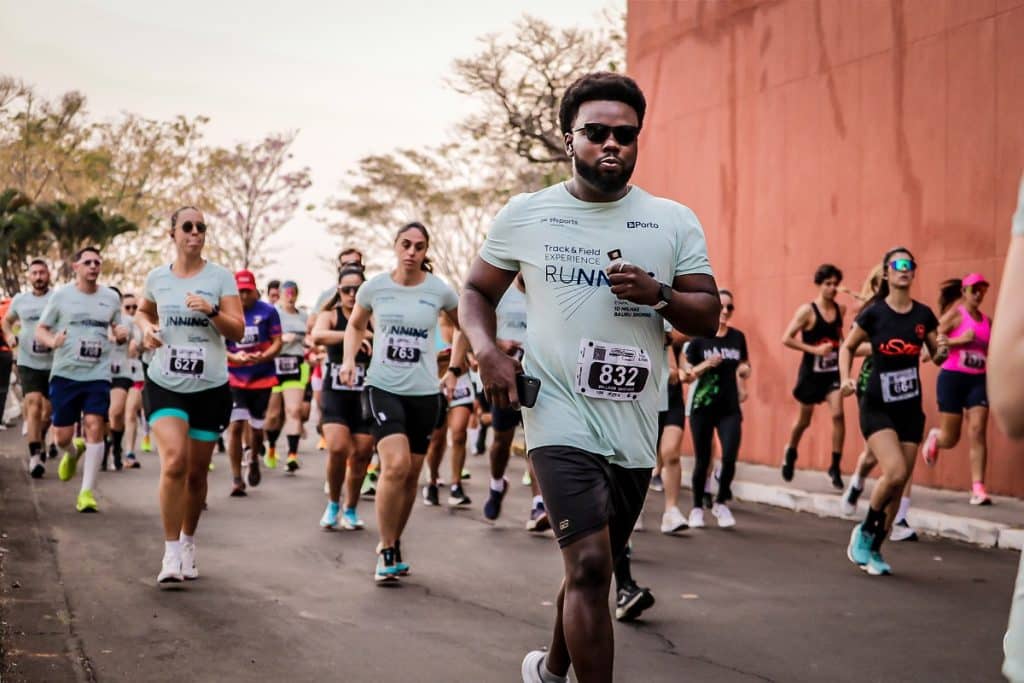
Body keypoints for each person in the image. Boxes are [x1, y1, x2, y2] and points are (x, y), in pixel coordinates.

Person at [459, 72, 718, 683]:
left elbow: (708, 312)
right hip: (556, 410)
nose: (611, 145)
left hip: (633, 418)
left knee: (592, 566)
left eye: (624, 135)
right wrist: (485, 350)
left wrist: (658, 295)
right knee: (593, 564)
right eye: (596, 132)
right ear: (568, 136)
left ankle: (549, 670)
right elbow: (475, 290)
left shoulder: (672, 220)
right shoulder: (528, 214)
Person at [338, 222, 460, 583]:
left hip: (424, 393)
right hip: (383, 387)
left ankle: (393, 542)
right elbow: (355, 325)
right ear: (395, 246)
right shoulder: (375, 287)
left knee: (411, 476)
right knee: (395, 466)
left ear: (425, 252)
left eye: (419, 247)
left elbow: (465, 325)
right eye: (406, 244)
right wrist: (348, 359)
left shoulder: (439, 290)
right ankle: (387, 547)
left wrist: (453, 369)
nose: (411, 252)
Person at [135, 206, 243, 585]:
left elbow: (238, 331)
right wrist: (147, 328)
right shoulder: (157, 278)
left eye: (201, 227)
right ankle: (169, 553)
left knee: (197, 475)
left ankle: (188, 541)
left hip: (210, 388)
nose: (195, 232)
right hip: (165, 381)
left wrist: (212, 311)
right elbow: (143, 312)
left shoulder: (220, 278)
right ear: (173, 234)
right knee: (175, 462)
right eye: (187, 226)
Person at [840, 247, 948, 576]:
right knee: (896, 471)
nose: (905, 270)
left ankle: (875, 549)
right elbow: (847, 346)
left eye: (910, 265)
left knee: (898, 487)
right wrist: (845, 378)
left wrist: (942, 350)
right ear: (887, 273)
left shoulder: (924, 315)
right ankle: (865, 532)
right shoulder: (874, 314)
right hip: (876, 404)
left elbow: (935, 355)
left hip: (910, 408)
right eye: (898, 265)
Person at [35, 246, 128, 512]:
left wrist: (121, 334)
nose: (93, 267)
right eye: (87, 262)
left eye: (97, 262)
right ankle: (72, 452)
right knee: (62, 436)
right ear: (76, 267)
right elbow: (41, 329)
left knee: (94, 423)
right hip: (65, 373)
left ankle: (86, 492)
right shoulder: (62, 296)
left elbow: (118, 330)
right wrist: (53, 340)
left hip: (98, 373)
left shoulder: (110, 298)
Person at [311, 266, 375, 530]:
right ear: (339, 291)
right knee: (337, 448)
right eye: (346, 289)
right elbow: (317, 335)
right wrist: (357, 334)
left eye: (357, 289)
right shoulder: (330, 314)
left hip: (363, 395)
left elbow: (385, 336)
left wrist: (369, 332)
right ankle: (334, 502)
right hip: (335, 393)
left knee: (361, 454)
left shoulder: (373, 316)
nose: (351, 294)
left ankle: (350, 509)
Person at [921, 273, 993, 505]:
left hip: (978, 381)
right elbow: (931, 344)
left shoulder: (987, 322)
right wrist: (958, 341)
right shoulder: (955, 316)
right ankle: (936, 438)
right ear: (964, 292)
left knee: (978, 430)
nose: (978, 294)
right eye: (974, 290)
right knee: (951, 438)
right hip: (952, 378)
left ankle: (978, 488)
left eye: (982, 290)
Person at [683, 289, 750, 529]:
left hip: (729, 407)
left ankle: (721, 503)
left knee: (730, 456)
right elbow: (687, 375)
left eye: (729, 307)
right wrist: (705, 365)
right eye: (721, 306)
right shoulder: (698, 339)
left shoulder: (738, 337)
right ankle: (697, 508)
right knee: (703, 460)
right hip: (702, 407)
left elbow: (744, 365)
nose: (725, 311)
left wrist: (744, 377)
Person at [993, 174, 1024, 683]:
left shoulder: (926, 316)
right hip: (875, 396)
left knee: (903, 465)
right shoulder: (876, 315)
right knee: (890, 467)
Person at [781, 264, 846, 488]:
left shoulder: (840, 310)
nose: (832, 288)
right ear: (819, 285)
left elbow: (841, 338)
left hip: (832, 373)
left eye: (835, 284)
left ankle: (835, 466)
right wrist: (814, 350)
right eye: (828, 284)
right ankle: (790, 450)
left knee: (838, 415)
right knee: (803, 421)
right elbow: (786, 338)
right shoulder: (807, 311)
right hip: (811, 373)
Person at [225, 270, 282, 496]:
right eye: (240, 291)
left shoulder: (268, 312)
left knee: (258, 429)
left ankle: (254, 456)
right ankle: (237, 478)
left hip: (262, 376)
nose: (244, 296)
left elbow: (278, 342)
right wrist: (233, 358)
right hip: (235, 377)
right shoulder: (227, 313)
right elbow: (220, 346)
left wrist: (265, 355)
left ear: (255, 290)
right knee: (237, 425)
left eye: (248, 291)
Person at [3, 259, 54, 477]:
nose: (39, 277)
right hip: (28, 361)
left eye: (42, 272)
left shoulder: (57, 299)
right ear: (29, 277)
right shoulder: (20, 300)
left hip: (55, 362)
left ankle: (40, 439)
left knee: (48, 413)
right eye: (35, 273)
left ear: (48, 275)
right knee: (33, 405)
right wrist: (9, 335)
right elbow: (7, 321)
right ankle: (35, 456)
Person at [263, 280, 309, 472]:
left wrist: (308, 341)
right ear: (280, 294)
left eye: (293, 293)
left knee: (294, 411)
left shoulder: (303, 316)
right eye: (287, 293)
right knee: (273, 415)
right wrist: (281, 339)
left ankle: (292, 455)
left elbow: (310, 337)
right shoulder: (272, 313)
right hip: (275, 363)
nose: (290, 296)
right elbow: (263, 338)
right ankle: (271, 448)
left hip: (295, 364)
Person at [657, 322, 688, 533]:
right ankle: (634, 512)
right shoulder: (641, 340)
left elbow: (685, 370)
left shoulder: (677, 346)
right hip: (647, 401)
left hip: (673, 400)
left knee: (671, 454)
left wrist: (687, 373)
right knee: (639, 459)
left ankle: (671, 511)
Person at [104, 288, 135, 471]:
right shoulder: (98, 319)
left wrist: (130, 342)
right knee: (102, 418)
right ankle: (106, 447)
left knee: (115, 412)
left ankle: (116, 447)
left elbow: (134, 340)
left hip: (121, 372)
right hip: (99, 372)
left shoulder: (128, 321)